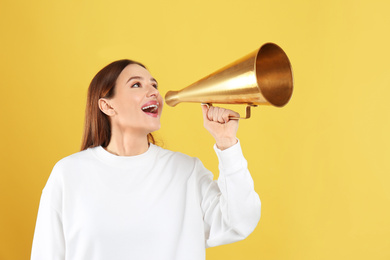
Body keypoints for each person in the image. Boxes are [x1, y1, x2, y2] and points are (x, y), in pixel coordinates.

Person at [31, 59, 261, 260]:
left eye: (154, 85)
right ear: (107, 105)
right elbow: (46, 254)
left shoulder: (186, 171)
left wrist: (227, 142)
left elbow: (239, 222)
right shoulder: (69, 173)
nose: (153, 92)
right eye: (136, 84)